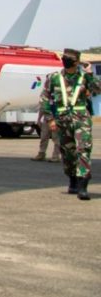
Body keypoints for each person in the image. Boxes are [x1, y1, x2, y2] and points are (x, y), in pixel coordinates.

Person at [43, 48, 100, 200]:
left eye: (69, 59)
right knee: (68, 152)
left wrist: (90, 75)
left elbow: (98, 89)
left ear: (76, 62)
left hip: (81, 117)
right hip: (62, 119)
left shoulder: (84, 76)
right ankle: (72, 179)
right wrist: (50, 119)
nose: (66, 61)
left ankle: (83, 185)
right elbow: (45, 99)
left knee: (84, 148)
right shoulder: (54, 78)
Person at [31, 83, 61, 162]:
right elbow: (42, 107)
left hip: (57, 118)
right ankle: (41, 153)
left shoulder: (60, 92)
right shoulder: (45, 93)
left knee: (56, 138)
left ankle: (56, 156)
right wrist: (39, 119)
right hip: (47, 118)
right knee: (44, 137)